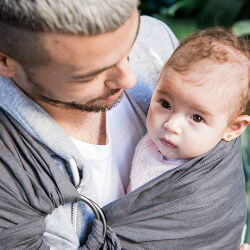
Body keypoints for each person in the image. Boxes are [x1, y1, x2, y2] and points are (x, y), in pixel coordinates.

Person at [0, 0, 247, 249]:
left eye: (128, 50)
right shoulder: (11, 175)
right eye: (90, 74)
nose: (129, 78)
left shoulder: (156, 43)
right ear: (5, 61)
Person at [127, 28, 250, 193]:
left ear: (232, 128)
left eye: (197, 118)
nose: (171, 125)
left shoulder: (202, 186)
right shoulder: (154, 143)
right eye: (165, 104)